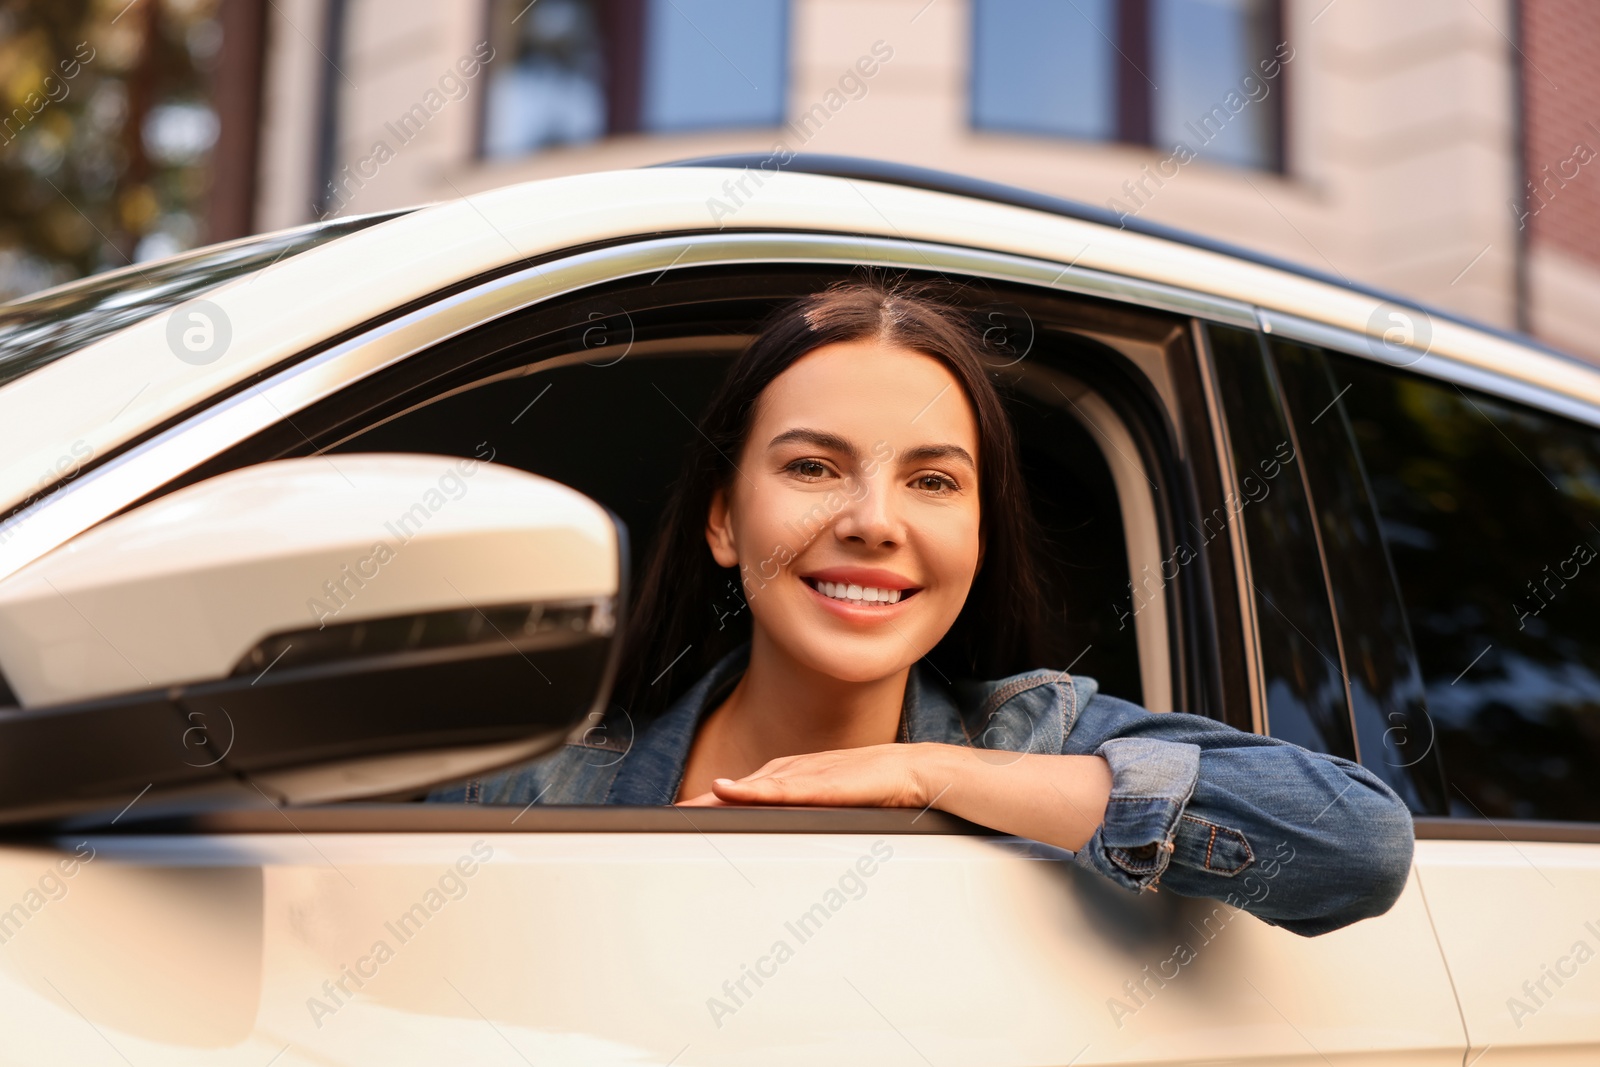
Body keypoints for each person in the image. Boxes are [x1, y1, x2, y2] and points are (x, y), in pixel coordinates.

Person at [430, 279, 1414, 937]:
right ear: (723, 518)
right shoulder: (529, 788)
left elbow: (1357, 845)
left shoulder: (1032, 742)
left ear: (979, 535)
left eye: (933, 481)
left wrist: (923, 770)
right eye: (813, 466)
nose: (872, 520)